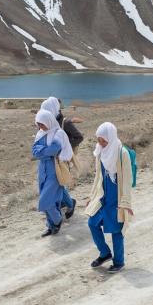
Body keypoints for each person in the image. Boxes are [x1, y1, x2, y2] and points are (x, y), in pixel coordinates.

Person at [85, 122, 133, 273]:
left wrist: (125, 202)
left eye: (103, 140)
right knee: (92, 223)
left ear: (111, 138)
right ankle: (105, 253)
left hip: (117, 197)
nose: (100, 143)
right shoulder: (100, 152)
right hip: (103, 195)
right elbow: (98, 176)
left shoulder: (122, 153)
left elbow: (127, 179)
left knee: (116, 229)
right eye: (98, 140)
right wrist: (92, 196)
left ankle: (119, 261)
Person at [31, 109, 72, 237]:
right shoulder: (40, 133)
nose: (40, 127)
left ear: (48, 121)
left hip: (54, 170)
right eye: (38, 124)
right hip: (42, 170)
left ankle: (57, 220)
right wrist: (46, 152)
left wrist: (43, 152)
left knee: (45, 201)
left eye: (42, 124)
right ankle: (51, 225)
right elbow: (34, 151)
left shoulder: (58, 133)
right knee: (51, 200)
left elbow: (54, 150)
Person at [41, 96, 83, 219]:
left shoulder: (66, 123)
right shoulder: (48, 121)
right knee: (57, 182)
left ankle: (69, 203)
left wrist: (65, 147)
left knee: (58, 183)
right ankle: (64, 203)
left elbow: (79, 137)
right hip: (51, 158)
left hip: (62, 159)